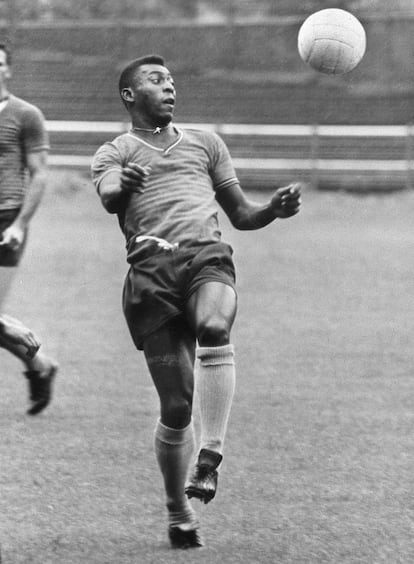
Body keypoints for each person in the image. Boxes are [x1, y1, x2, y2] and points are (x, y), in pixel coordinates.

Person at [91, 54, 301, 549]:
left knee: (213, 327)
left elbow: (242, 215)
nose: (170, 88)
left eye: (172, 81)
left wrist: (272, 209)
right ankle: (177, 509)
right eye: (157, 81)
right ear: (129, 95)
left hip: (206, 257)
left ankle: (210, 458)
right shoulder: (114, 151)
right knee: (177, 405)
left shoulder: (206, 143)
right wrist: (127, 181)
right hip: (149, 275)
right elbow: (107, 194)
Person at [0, 43, 57, 416]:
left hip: (6, 219)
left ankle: (40, 366)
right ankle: (40, 366)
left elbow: (39, 173)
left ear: (6, 69)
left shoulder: (25, 115)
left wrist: (21, 224)